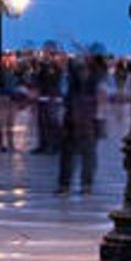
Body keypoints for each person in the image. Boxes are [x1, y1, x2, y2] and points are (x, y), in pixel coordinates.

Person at [57, 56, 102, 194]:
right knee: (81, 156)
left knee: (77, 156)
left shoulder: (73, 84)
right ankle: (81, 185)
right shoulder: (91, 83)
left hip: (78, 123)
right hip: (80, 123)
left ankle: (71, 185)